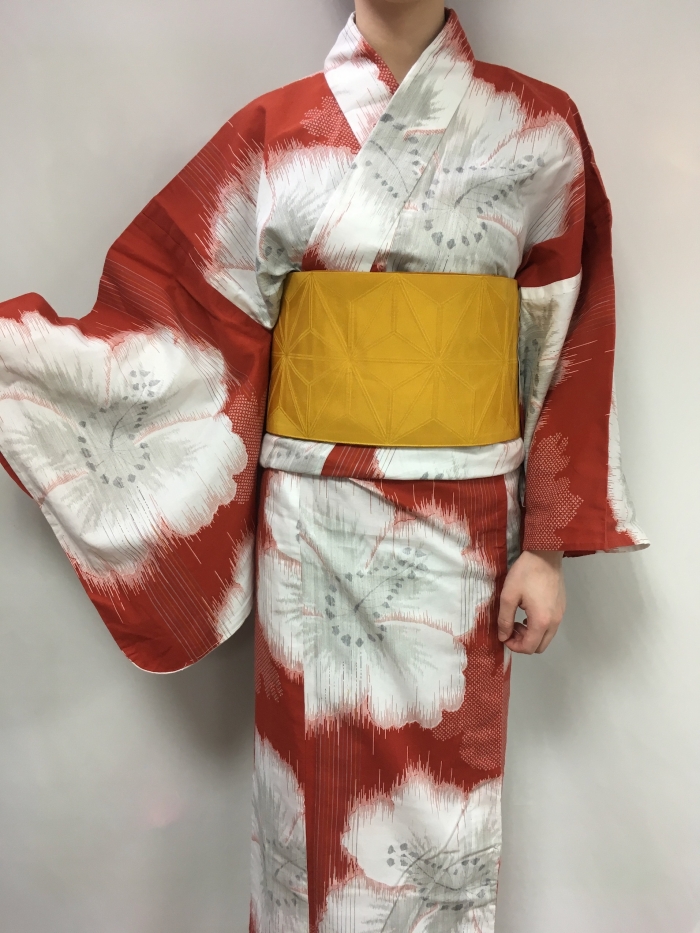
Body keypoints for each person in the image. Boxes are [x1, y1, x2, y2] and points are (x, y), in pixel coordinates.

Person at [0, 1, 648, 929]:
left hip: (463, 537)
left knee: (438, 813)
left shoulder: (540, 131)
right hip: (312, 534)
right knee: (307, 806)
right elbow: (175, 327)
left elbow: (566, 340)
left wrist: (545, 544)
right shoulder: (273, 133)